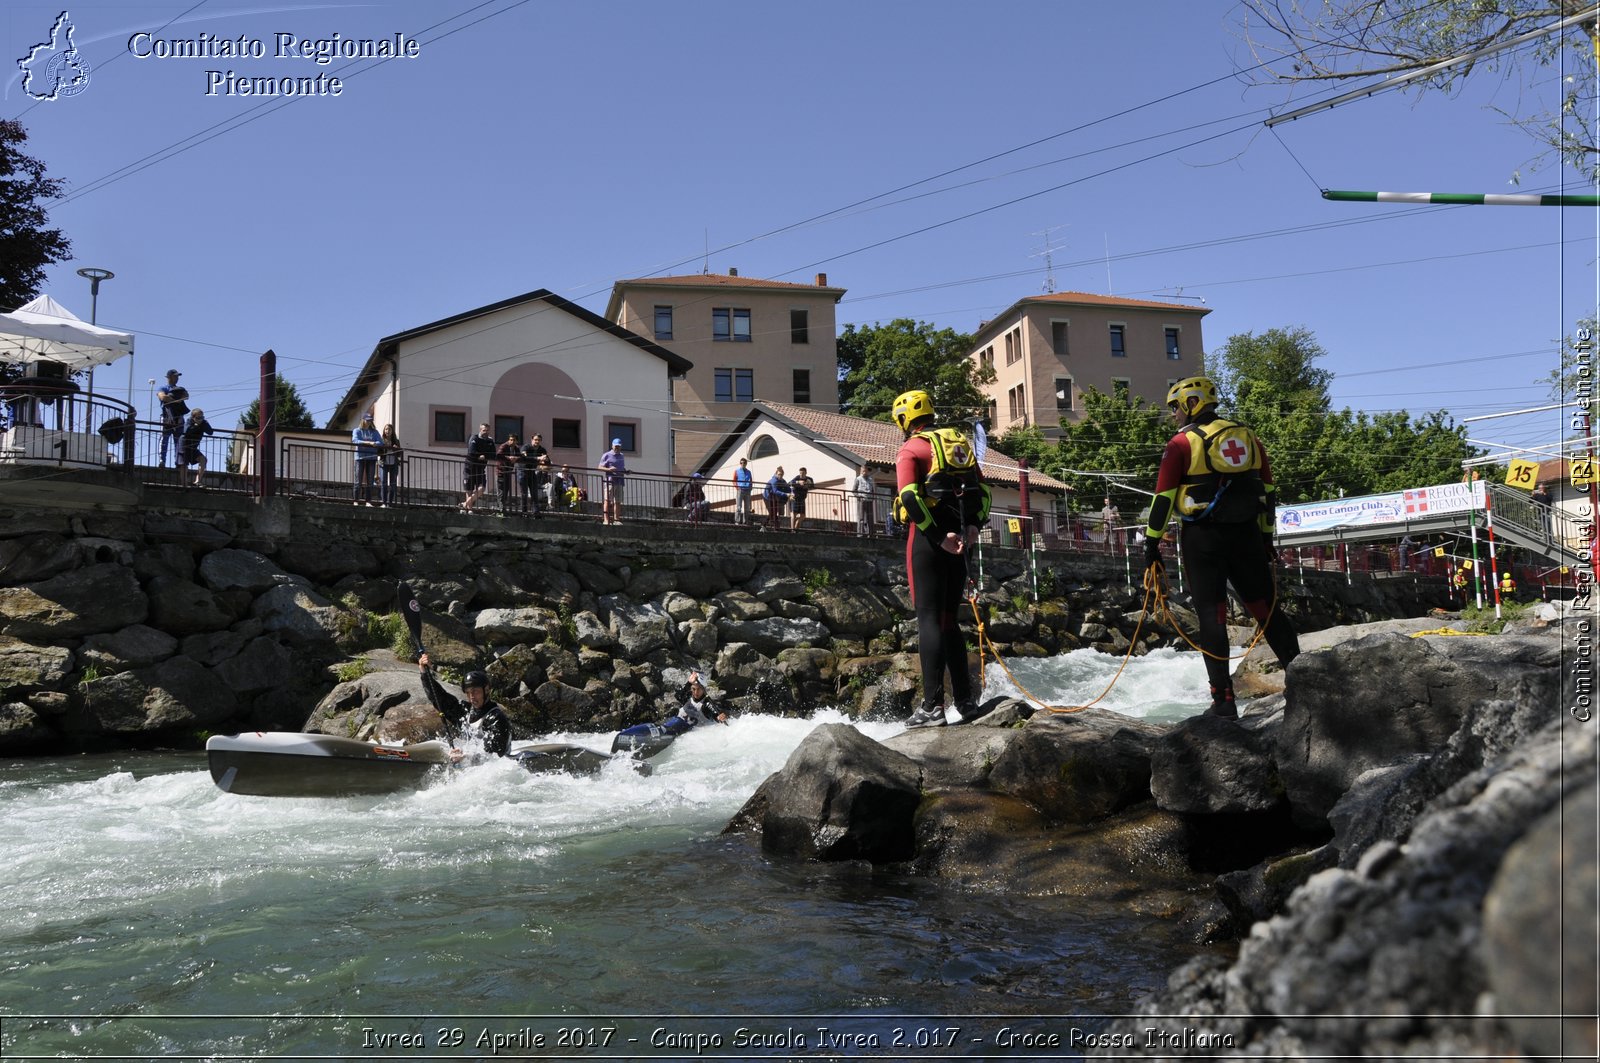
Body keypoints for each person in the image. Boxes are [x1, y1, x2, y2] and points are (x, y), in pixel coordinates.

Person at [1142, 376, 1300, 720]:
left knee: (1212, 616)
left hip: (1203, 540)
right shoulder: (1249, 438)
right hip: (1247, 536)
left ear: (1191, 404)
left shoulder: (1180, 444)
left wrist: (1151, 544)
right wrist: (1266, 538)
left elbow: (1164, 499)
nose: (1173, 415)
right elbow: (1268, 493)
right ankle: (1304, 681)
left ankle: (1223, 702)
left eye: (1174, 407)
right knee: (1265, 608)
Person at [893, 390, 990, 728]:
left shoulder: (911, 449)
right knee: (950, 620)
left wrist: (937, 537)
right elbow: (985, 492)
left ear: (905, 421)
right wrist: (974, 526)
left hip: (931, 543)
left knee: (930, 621)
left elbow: (908, 496)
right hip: (963, 540)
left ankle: (933, 707)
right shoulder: (958, 445)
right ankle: (965, 702)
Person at [417, 653, 511, 760]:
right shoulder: (465, 711)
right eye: (468, 692)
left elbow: (495, 754)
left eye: (475, 691)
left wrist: (465, 756)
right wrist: (424, 671)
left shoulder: (497, 718)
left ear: (486, 690)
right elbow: (440, 699)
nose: (472, 697)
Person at [156, 369, 189, 468]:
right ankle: (162, 460)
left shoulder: (180, 388)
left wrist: (173, 399)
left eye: (177, 376)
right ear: (169, 377)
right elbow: (162, 397)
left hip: (179, 417)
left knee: (178, 441)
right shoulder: (163, 387)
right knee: (164, 439)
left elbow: (186, 396)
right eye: (175, 376)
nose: (177, 378)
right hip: (166, 417)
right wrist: (177, 400)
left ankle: (178, 462)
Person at [462, 423, 494, 512]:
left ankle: (465, 504)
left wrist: (484, 456)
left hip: (481, 468)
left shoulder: (490, 441)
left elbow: (493, 454)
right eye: (484, 430)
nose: (486, 432)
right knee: (469, 490)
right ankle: (469, 509)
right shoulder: (474, 438)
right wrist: (479, 455)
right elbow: (472, 451)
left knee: (481, 488)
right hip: (470, 467)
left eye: (487, 430)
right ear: (480, 430)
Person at [351, 411, 382, 506]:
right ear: (363, 420)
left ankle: (368, 501)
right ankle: (356, 500)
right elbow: (355, 440)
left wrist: (373, 444)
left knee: (370, 481)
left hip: (372, 458)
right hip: (360, 458)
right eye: (367, 420)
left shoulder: (375, 432)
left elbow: (380, 442)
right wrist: (369, 443)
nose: (369, 422)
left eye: (370, 421)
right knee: (358, 480)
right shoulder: (357, 430)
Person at [180, 408, 214, 487]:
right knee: (184, 464)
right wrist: (196, 426)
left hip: (193, 448)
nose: (200, 419)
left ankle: (197, 481)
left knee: (203, 460)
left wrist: (203, 424)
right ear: (193, 417)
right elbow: (186, 431)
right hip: (184, 445)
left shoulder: (203, 423)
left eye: (202, 417)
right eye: (198, 418)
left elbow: (210, 432)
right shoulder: (189, 421)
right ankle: (184, 484)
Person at [519, 432, 549, 516]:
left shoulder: (542, 450)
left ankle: (536, 512)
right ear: (532, 440)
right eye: (535, 440)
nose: (537, 442)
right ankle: (524, 512)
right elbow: (524, 458)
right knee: (524, 493)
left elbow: (548, 461)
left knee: (534, 492)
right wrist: (538, 458)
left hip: (532, 471)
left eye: (539, 440)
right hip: (523, 471)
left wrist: (545, 459)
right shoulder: (526, 447)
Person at [598, 439, 627, 525]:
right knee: (607, 500)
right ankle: (606, 520)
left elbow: (622, 468)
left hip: (620, 481)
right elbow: (599, 467)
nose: (617, 448)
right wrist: (608, 469)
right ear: (612, 446)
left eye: (619, 446)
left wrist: (626, 471)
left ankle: (616, 520)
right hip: (610, 481)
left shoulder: (622, 456)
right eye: (616, 446)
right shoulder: (606, 455)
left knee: (617, 501)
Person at [495, 433, 521, 516]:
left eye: (514, 440)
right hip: (501, 471)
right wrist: (509, 458)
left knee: (506, 491)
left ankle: (502, 508)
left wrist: (516, 458)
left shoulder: (516, 448)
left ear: (517, 441)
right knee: (501, 491)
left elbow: (521, 456)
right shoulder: (504, 446)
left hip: (509, 472)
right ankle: (500, 509)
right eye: (510, 440)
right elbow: (499, 455)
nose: (512, 442)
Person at [379, 423, 404, 507]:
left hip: (394, 464)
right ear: (384, 431)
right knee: (384, 483)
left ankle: (389, 503)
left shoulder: (396, 441)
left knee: (393, 484)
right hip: (384, 463)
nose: (387, 431)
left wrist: (396, 448)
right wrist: (384, 447)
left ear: (392, 431)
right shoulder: (381, 440)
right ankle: (384, 503)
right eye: (386, 429)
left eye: (389, 429)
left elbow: (400, 454)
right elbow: (378, 452)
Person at [852, 463, 877, 538]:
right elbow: (854, 490)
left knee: (870, 517)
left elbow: (872, 490)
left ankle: (871, 534)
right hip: (861, 500)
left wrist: (872, 497)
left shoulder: (870, 479)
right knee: (861, 518)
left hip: (869, 500)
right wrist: (858, 497)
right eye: (863, 471)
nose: (864, 472)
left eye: (865, 471)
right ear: (861, 471)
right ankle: (860, 534)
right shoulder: (858, 479)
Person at [788, 467, 815, 531]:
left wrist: (809, 484)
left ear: (806, 473)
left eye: (803, 473)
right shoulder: (797, 477)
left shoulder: (809, 479)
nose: (801, 475)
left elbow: (812, 486)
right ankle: (793, 529)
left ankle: (796, 526)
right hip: (795, 498)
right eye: (800, 473)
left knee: (803, 516)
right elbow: (789, 483)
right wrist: (798, 482)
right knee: (793, 514)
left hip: (802, 499)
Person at [764, 466, 789, 530]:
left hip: (774, 498)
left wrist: (791, 493)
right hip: (767, 497)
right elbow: (775, 491)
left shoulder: (783, 481)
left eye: (781, 474)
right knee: (772, 512)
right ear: (776, 474)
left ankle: (768, 526)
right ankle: (767, 526)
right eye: (779, 474)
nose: (780, 476)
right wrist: (785, 494)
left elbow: (787, 488)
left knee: (773, 512)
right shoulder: (774, 480)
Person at [732, 457, 753, 525]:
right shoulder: (737, 471)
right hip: (740, 490)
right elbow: (734, 480)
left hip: (747, 491)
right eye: (741, 463)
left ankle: (745, 521)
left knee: (747, 508)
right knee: (739, 507)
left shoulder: (749, 472)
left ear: (746, 464)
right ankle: (737, 521)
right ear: (740, 463)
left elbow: (751, 480)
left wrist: (750, 487)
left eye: (744, 463)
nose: (742, 464)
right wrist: (737, 487)